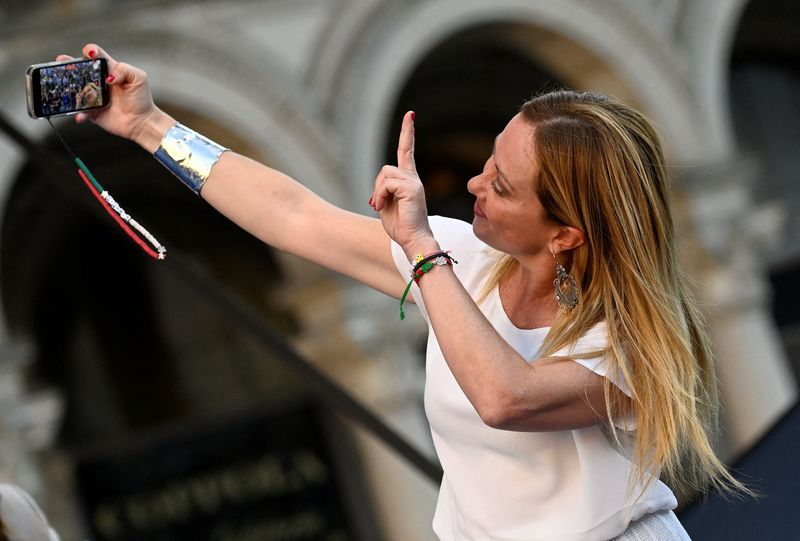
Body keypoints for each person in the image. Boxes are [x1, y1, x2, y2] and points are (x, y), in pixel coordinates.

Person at [59, 43, 748, 540]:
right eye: (487, 164)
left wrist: (422, 249)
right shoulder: (469, 259)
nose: (474, 184)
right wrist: (150, 128)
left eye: (501, 187)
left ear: (566, 233)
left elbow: (503, 396)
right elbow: (295, 215)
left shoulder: (631, 343)